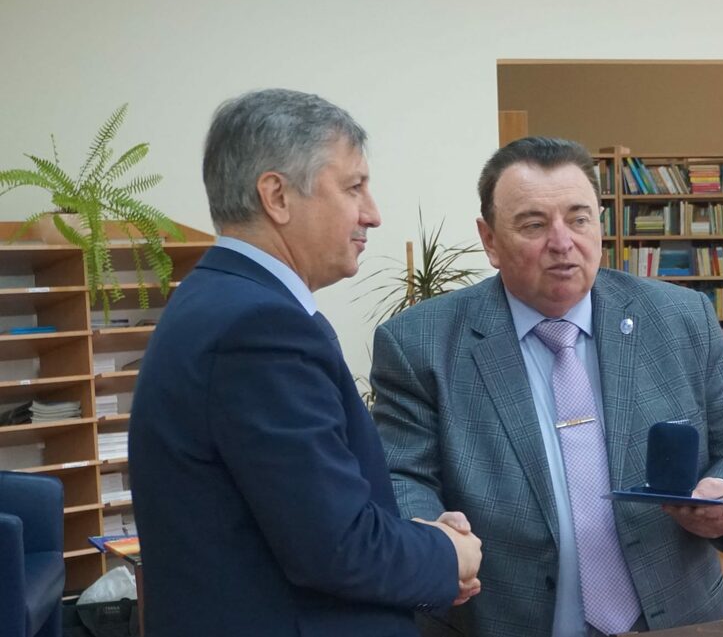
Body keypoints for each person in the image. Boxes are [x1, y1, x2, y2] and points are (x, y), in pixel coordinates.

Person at [371, 136, 723, 637]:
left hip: (676, 619)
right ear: (489, 240)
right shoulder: (422, 343)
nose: (562, 242)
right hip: (503, 619)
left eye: (579, 218)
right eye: (533, 224)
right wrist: (431, 539)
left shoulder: (679, 318)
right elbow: (400, 475)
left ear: (600, 224)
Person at [128, 89, 481, 637]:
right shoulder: (260, 329)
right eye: (354, 187)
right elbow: (336, 549)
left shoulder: (217, 298)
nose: (373, 214)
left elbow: (296, 513)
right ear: (277, 196)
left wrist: (414, 538)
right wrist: (446, 553)